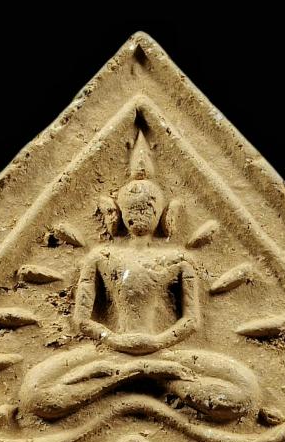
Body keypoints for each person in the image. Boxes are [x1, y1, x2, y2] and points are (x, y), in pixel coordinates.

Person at [21, 132, 260, 422]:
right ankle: (136, 373)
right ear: (118, 213)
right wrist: (115, 341)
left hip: (162, 350)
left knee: (243, 392)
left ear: (163, 214)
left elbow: (191, 321)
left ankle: (137, 372)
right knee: (36, 394)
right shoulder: (100, 257)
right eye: (132, 209)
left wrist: (156, 343)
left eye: (148, 208)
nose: (140, 214)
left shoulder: (179, 259)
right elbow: (82, 320)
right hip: (110, 351)